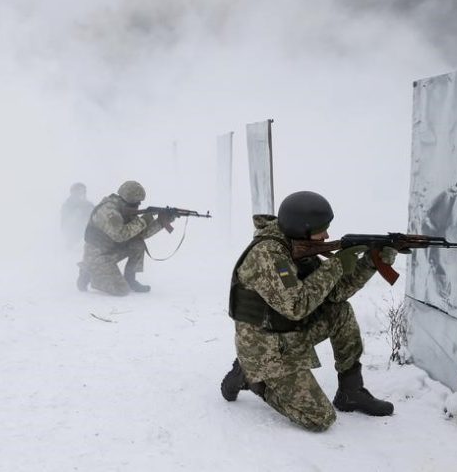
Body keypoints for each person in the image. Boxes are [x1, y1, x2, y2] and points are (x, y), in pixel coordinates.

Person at [219, 191, 396, 432]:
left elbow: (334, 293)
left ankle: (351, 391)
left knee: (340, 311)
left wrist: (371, 263)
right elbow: (296, 305)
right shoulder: (268, 255)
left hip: (288, 333)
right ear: (301, 228)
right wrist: (336, 265)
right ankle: (251, 377)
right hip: (264, 346)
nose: (327, 235)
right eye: (321, 229)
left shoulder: (296, 246)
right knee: (321, 419)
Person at [77, 180, 175, 296]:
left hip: (111, 250)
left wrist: (162, 221)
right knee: (121, 290)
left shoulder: (124, 209)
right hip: (97, 256)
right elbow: (120, 235)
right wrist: (144, 219)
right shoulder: (108, 211)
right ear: (127, 200)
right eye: (136, 204)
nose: (138, 206)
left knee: (137, 244)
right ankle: (88, 270)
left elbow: (140, 234)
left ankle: (130, 279)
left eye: (139, 203)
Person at [60, 182, 94, 248]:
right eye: (79, 192)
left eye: (83, 192)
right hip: (74, 233)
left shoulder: (88, 205)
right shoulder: (67, 205)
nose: (81, 194)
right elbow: (65, 222)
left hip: (89, 234)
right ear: (73, 193)